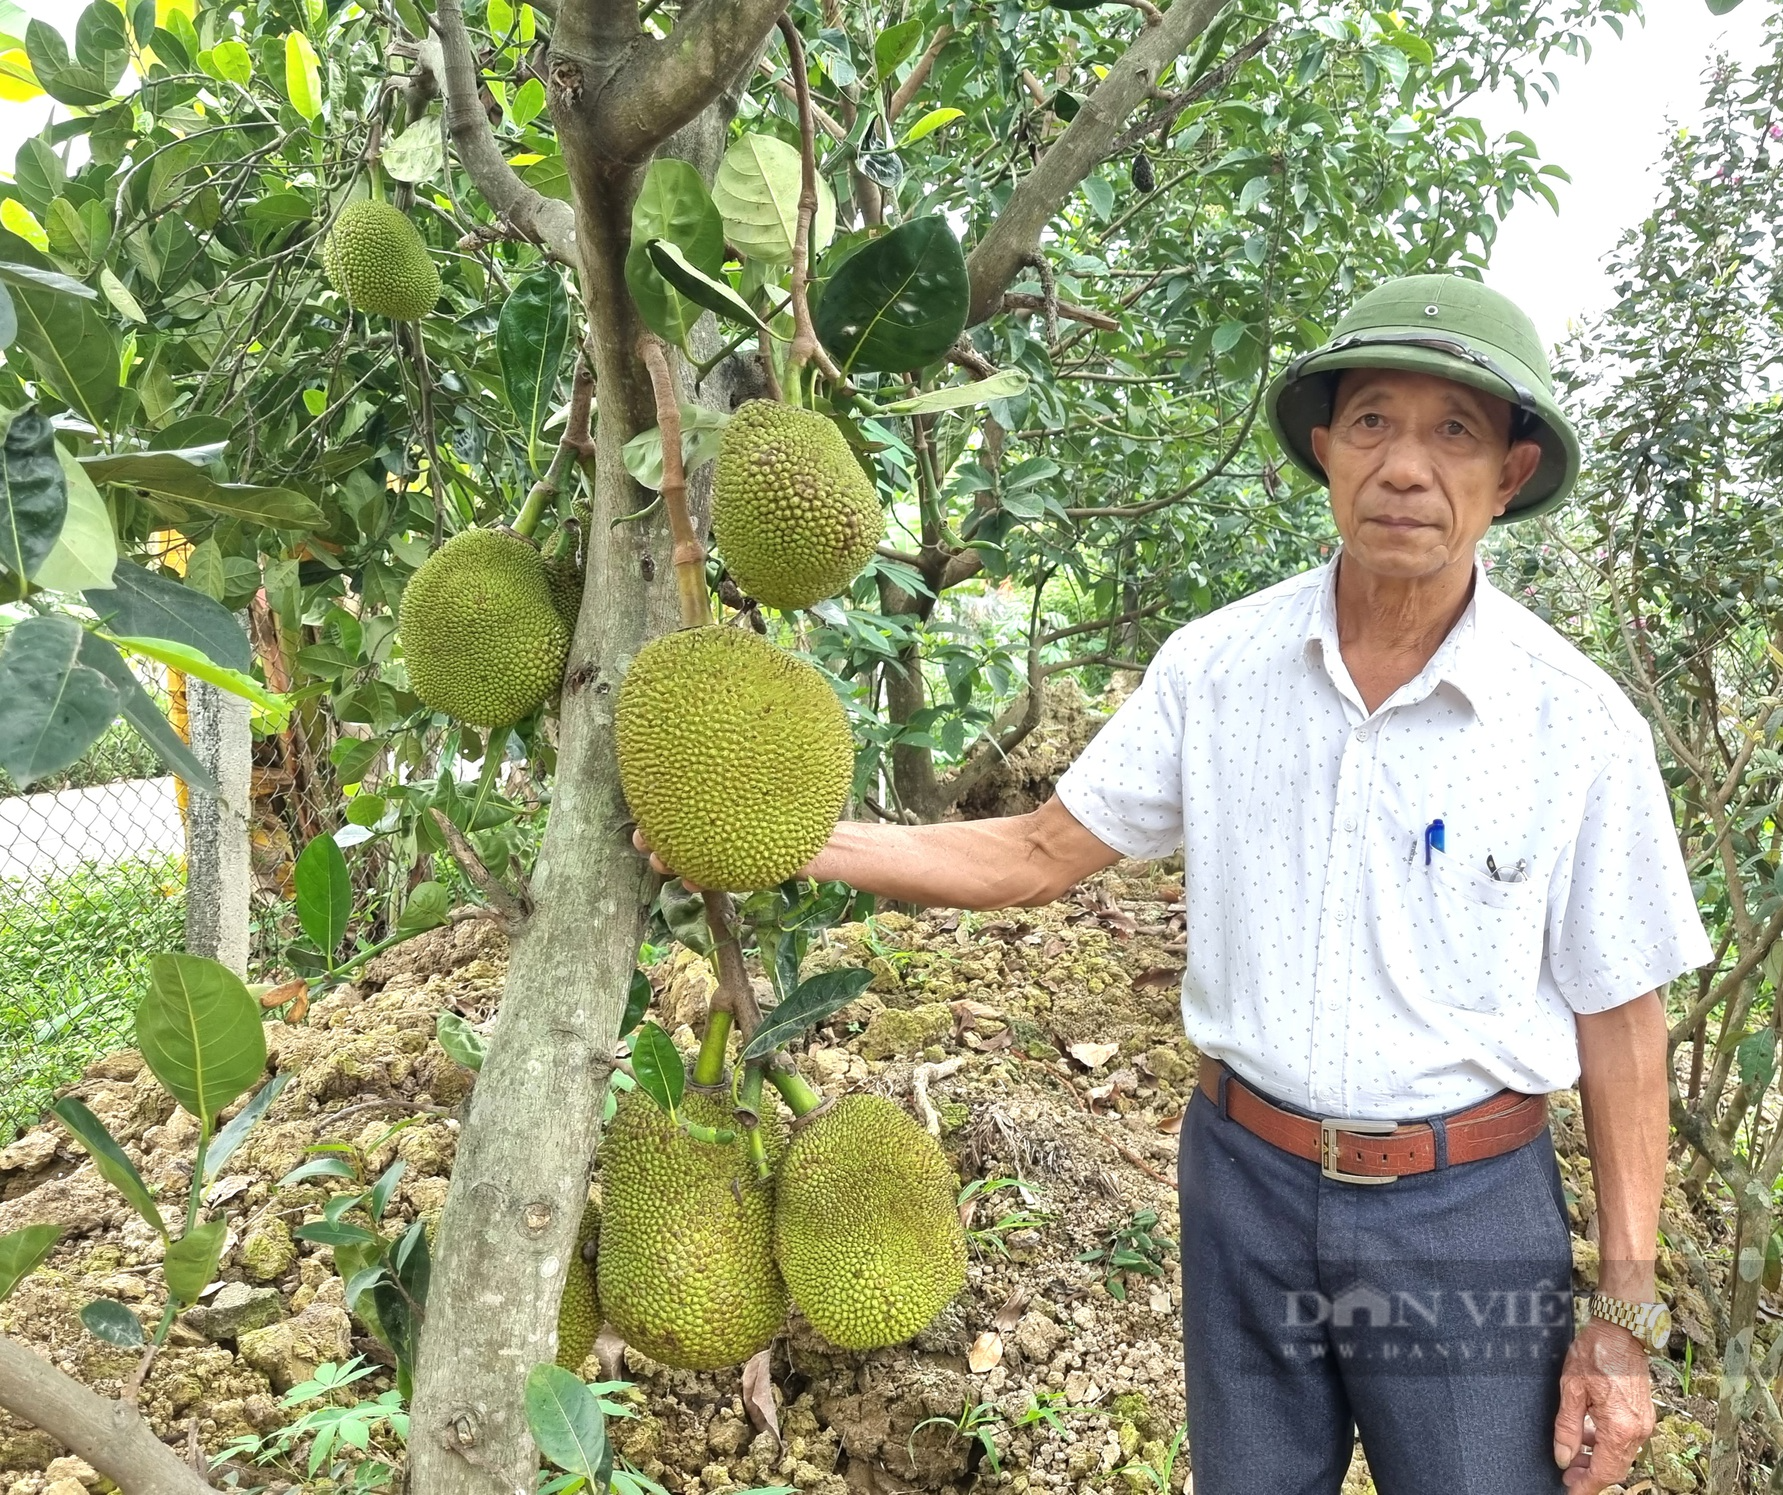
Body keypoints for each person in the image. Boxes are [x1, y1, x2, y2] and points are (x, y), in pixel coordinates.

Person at [636, 273, 1712, 1495]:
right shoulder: (1217, 669)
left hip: (1461, 1212)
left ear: (1507, 475)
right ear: (1322, 450)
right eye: (1372, 422)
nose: (1405, 467)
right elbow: (1038, 852)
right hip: (1243, 1182)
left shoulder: (1574, 725)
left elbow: (1623, 1019)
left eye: (1453, 432)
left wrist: (1621, 1312)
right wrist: (790, 837)